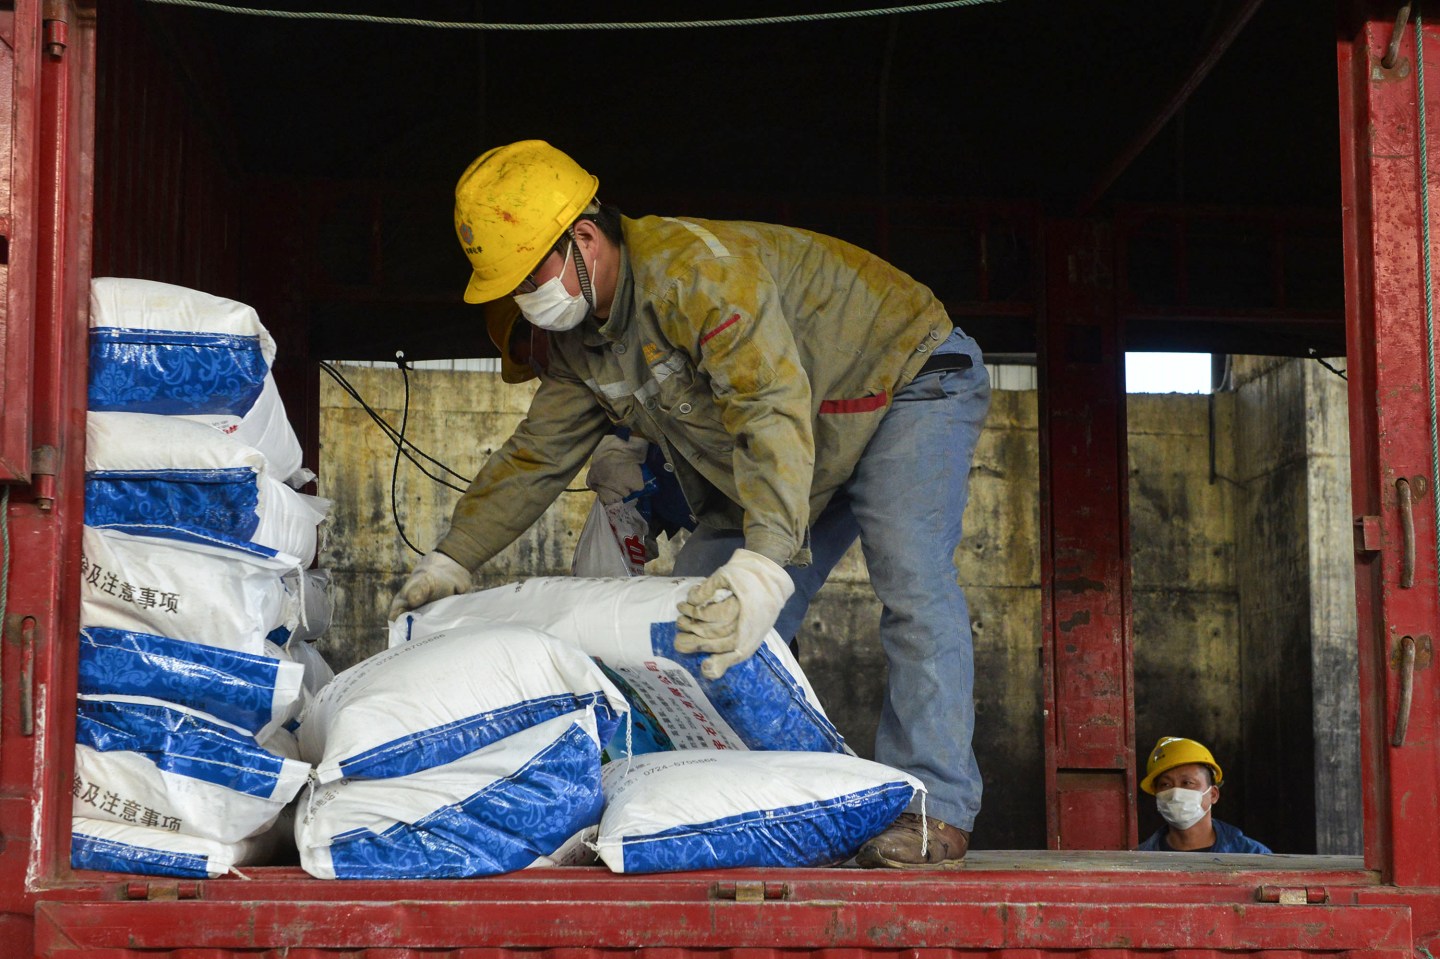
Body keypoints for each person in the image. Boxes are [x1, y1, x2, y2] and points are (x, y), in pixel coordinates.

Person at [389, 139, 991, 868]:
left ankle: (935, 806)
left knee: (912, 582)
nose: (525, 299)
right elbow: (536, 456)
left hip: (903, 379)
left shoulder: (695, 274)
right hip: (808, 435)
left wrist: (765, 562)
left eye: (528, 275)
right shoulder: (582, 346)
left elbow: (769, 406)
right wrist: (453, 557)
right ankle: (754, 801)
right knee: (690, 620)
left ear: (585, 238)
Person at [1136, 736, 1272, 854]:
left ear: (1213, 794)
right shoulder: (1140, 860)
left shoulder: (1252, 855)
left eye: (1187, 783)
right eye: (1165, 784)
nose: (1175, 794)